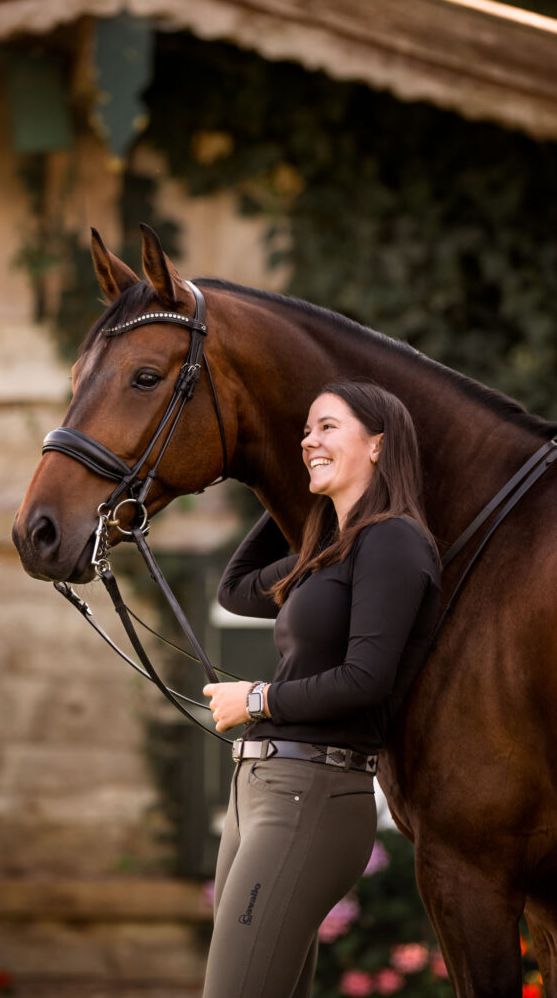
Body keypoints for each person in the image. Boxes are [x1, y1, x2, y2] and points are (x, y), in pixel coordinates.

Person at [202, 380, 442, 998]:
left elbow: (366, 678)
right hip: (261, 791)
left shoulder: (393, 540)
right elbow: (236, 589)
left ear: (379, 445)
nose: (309, 440)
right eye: (306, 431)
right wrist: (283, 483)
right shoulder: (330, 549)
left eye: (328, 427)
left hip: (310, 793)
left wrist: (257, 699)